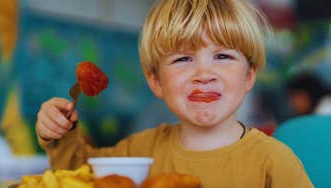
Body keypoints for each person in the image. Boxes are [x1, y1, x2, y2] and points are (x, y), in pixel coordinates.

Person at [36, 0, 313, 187]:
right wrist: (60, 134)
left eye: (223, 56)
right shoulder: (140, 151)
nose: (204, 73)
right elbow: (82, 175)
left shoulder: (274, 161)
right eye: (183, 59)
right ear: (156, 82)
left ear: (249, 76)